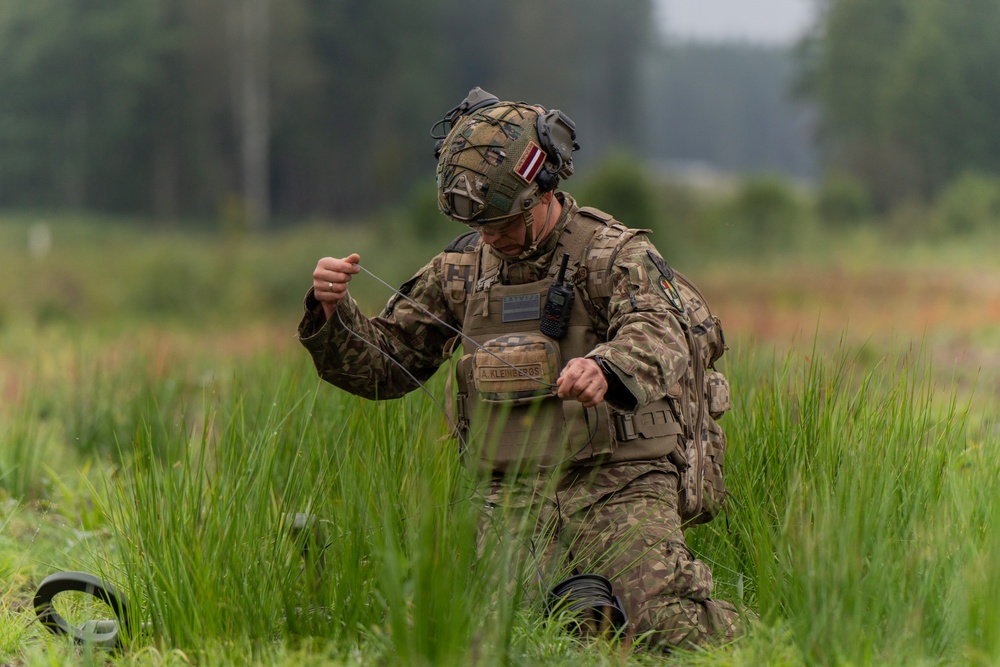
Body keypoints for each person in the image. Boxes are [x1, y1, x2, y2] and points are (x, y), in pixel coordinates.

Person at [297, 88, 742, 649]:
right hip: (507, 491)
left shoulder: (611, 255)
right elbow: (389, 365)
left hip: (619, 482)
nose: (492, 238)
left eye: (505, 223)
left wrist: (607, 366)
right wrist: (332, 314)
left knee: (662, 624)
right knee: (489, 628)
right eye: (482, 226)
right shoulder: (461, 269)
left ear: (544, 192)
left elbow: (661, 329)